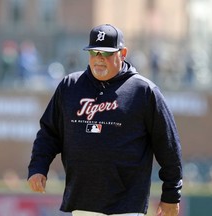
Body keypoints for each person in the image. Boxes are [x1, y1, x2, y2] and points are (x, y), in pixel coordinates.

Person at [28, 24, 183, 216]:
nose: (99, 59)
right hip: (82, 201)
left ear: (123, 53)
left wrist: (171, 194)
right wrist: (38, 167)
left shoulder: (143, 91)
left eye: (107, 53)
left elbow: (168, 146)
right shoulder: (70, 86)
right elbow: (49, 133)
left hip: (126, 205)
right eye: (94, 52)